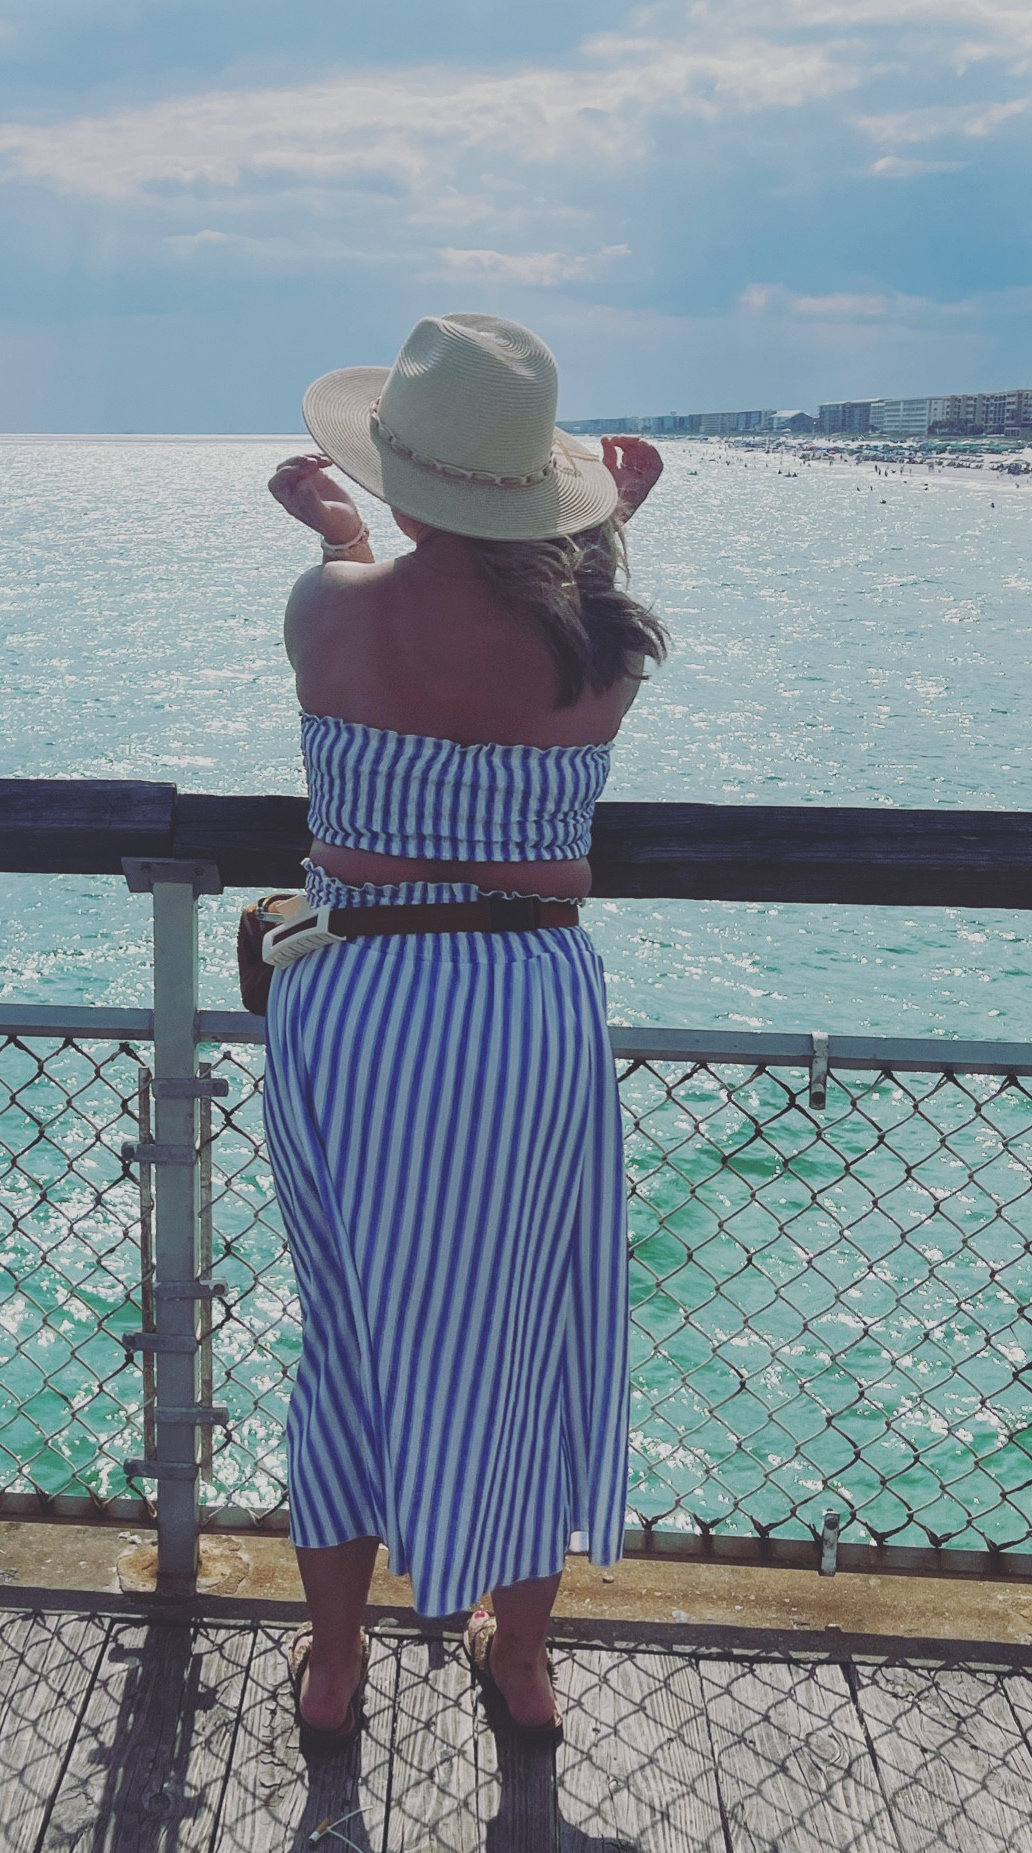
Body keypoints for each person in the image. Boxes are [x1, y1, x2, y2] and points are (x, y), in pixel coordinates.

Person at [263, 312, 666, 1751]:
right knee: (531, 1329)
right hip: (522, 1004)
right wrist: (611, 531)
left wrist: (336, 523)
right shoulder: (602, 646)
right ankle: (524, 1659)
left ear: (403, 478)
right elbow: (542, 606)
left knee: (351, 1329)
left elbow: (379, 583)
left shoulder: (329, 613)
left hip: (360, 1003)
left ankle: (333, 1665)